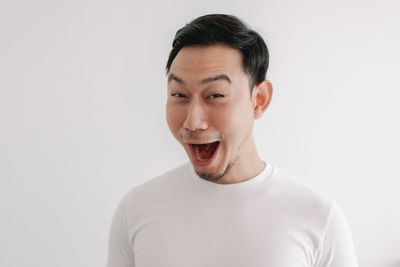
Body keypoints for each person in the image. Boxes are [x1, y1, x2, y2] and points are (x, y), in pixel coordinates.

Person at [106, 14, 358, 267]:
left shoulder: (319, 219)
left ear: (259, 100)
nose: (192, 122)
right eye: (179, 94)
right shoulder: (136, 210)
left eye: (215, 95)